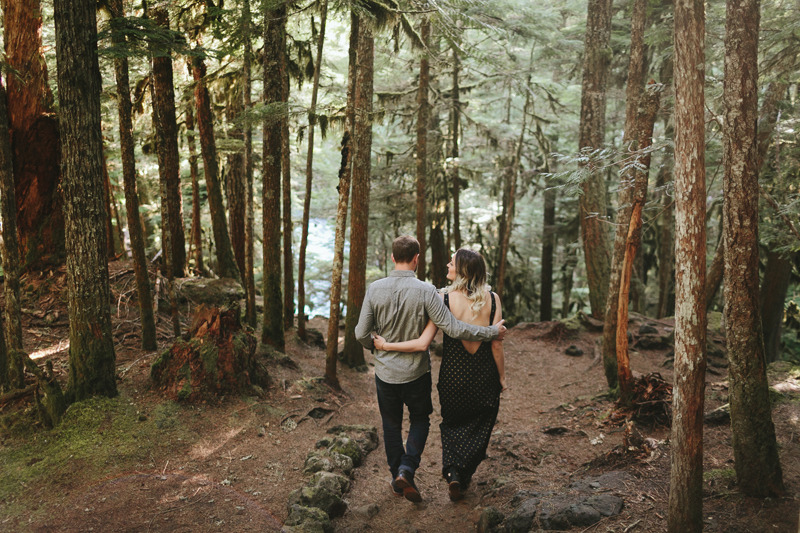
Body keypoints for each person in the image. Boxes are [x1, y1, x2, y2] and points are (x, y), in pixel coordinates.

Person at [355, 236, 507, 503]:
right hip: (421, 373)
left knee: (392, 425)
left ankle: (399, 477)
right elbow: (456, 330)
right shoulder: (430, 292)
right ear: (416, 259)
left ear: (392, 257)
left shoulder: (378, 288)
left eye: (452, 262)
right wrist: (492, 333)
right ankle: (416, 469)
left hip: (395, 374)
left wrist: (377, 346)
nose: (448, 263)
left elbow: (360, 333)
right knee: (420, 420)